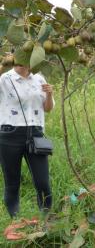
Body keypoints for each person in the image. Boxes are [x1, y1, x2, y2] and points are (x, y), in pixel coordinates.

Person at [0, 63, 54, 218]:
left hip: (35, 133)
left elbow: (48, 108)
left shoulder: (38, 78)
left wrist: (49, 94)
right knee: (12, 183)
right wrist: (3, 65)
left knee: (43, 182)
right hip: (10, 134)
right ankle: (15, 221)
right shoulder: (5, 78)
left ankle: (46, 221)